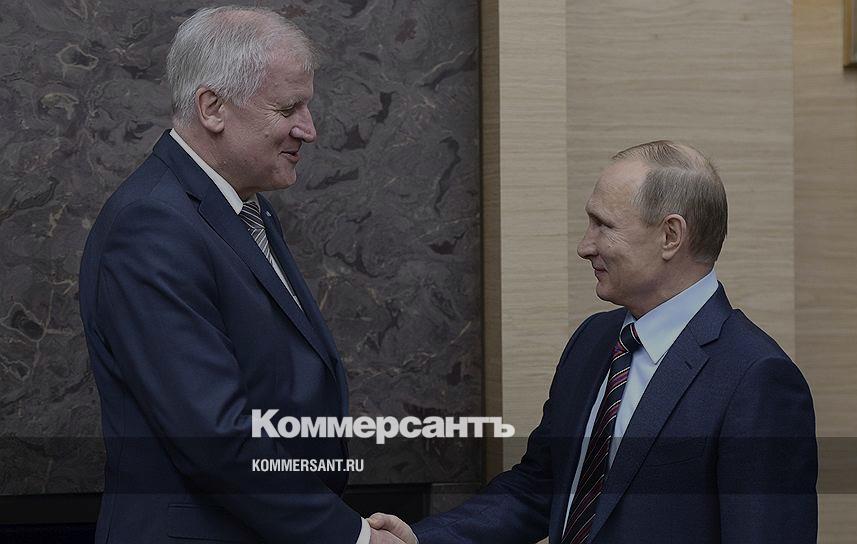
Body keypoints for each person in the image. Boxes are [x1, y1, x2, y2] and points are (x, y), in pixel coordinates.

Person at [370, 140, 818, 543]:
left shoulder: (757, 379)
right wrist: (420, 540)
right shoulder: (593, 341)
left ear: (670, 235)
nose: (585, 246)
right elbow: (541, 487)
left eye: (603, 225)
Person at [78, 6, 403, 544]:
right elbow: (215, 438)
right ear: (213, 108)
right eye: (288, 108)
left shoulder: (242, 207)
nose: (309, 129)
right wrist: (353, 538)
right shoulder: (152, 225)